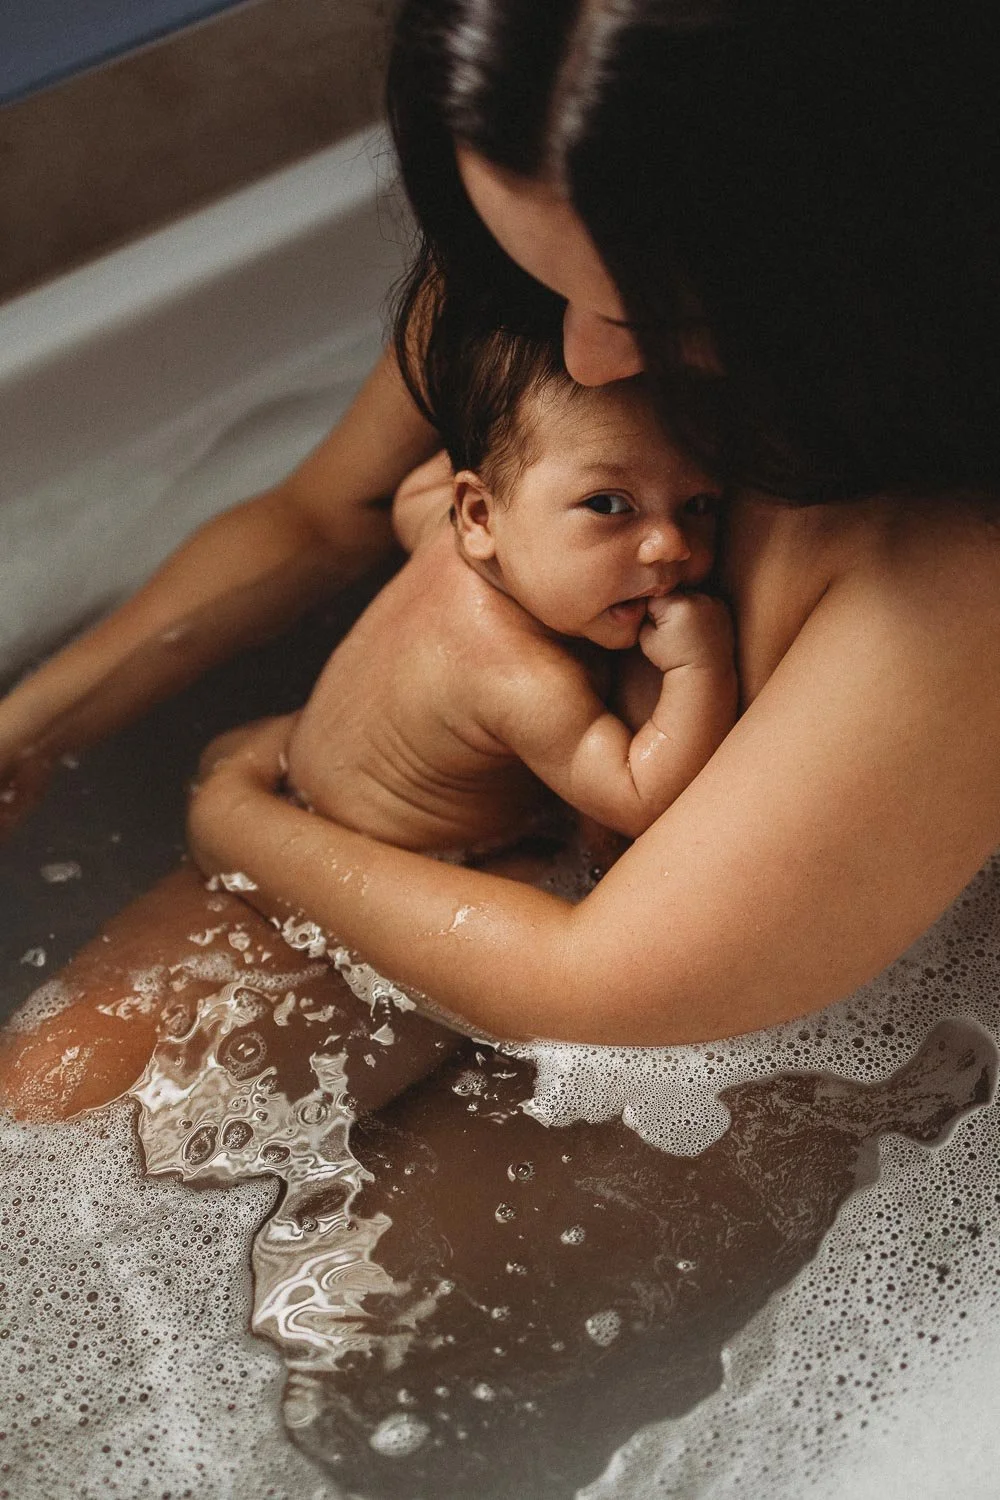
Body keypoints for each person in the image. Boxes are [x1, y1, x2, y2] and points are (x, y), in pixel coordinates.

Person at [3, 0, 1000, 1090]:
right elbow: (316, 516)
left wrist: (236, 825)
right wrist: (29, 733)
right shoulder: (549, 257)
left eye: (654, 317)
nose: (577, 352)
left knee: (338, 1266)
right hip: (443, 842)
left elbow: (591, 984)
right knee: (44, 1109)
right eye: (538, 276)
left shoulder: (947, 565)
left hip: (733, 1024)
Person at [283, 330, 734, 854]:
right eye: (609, 505)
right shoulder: (524, 680)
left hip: (297, 765)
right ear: (478, 513)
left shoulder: (443, 522)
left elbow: (414, 492)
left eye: (698, 505)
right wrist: (700, 670)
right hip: (406, 850)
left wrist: (503, 461)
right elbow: (638, 798)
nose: (670, 545)